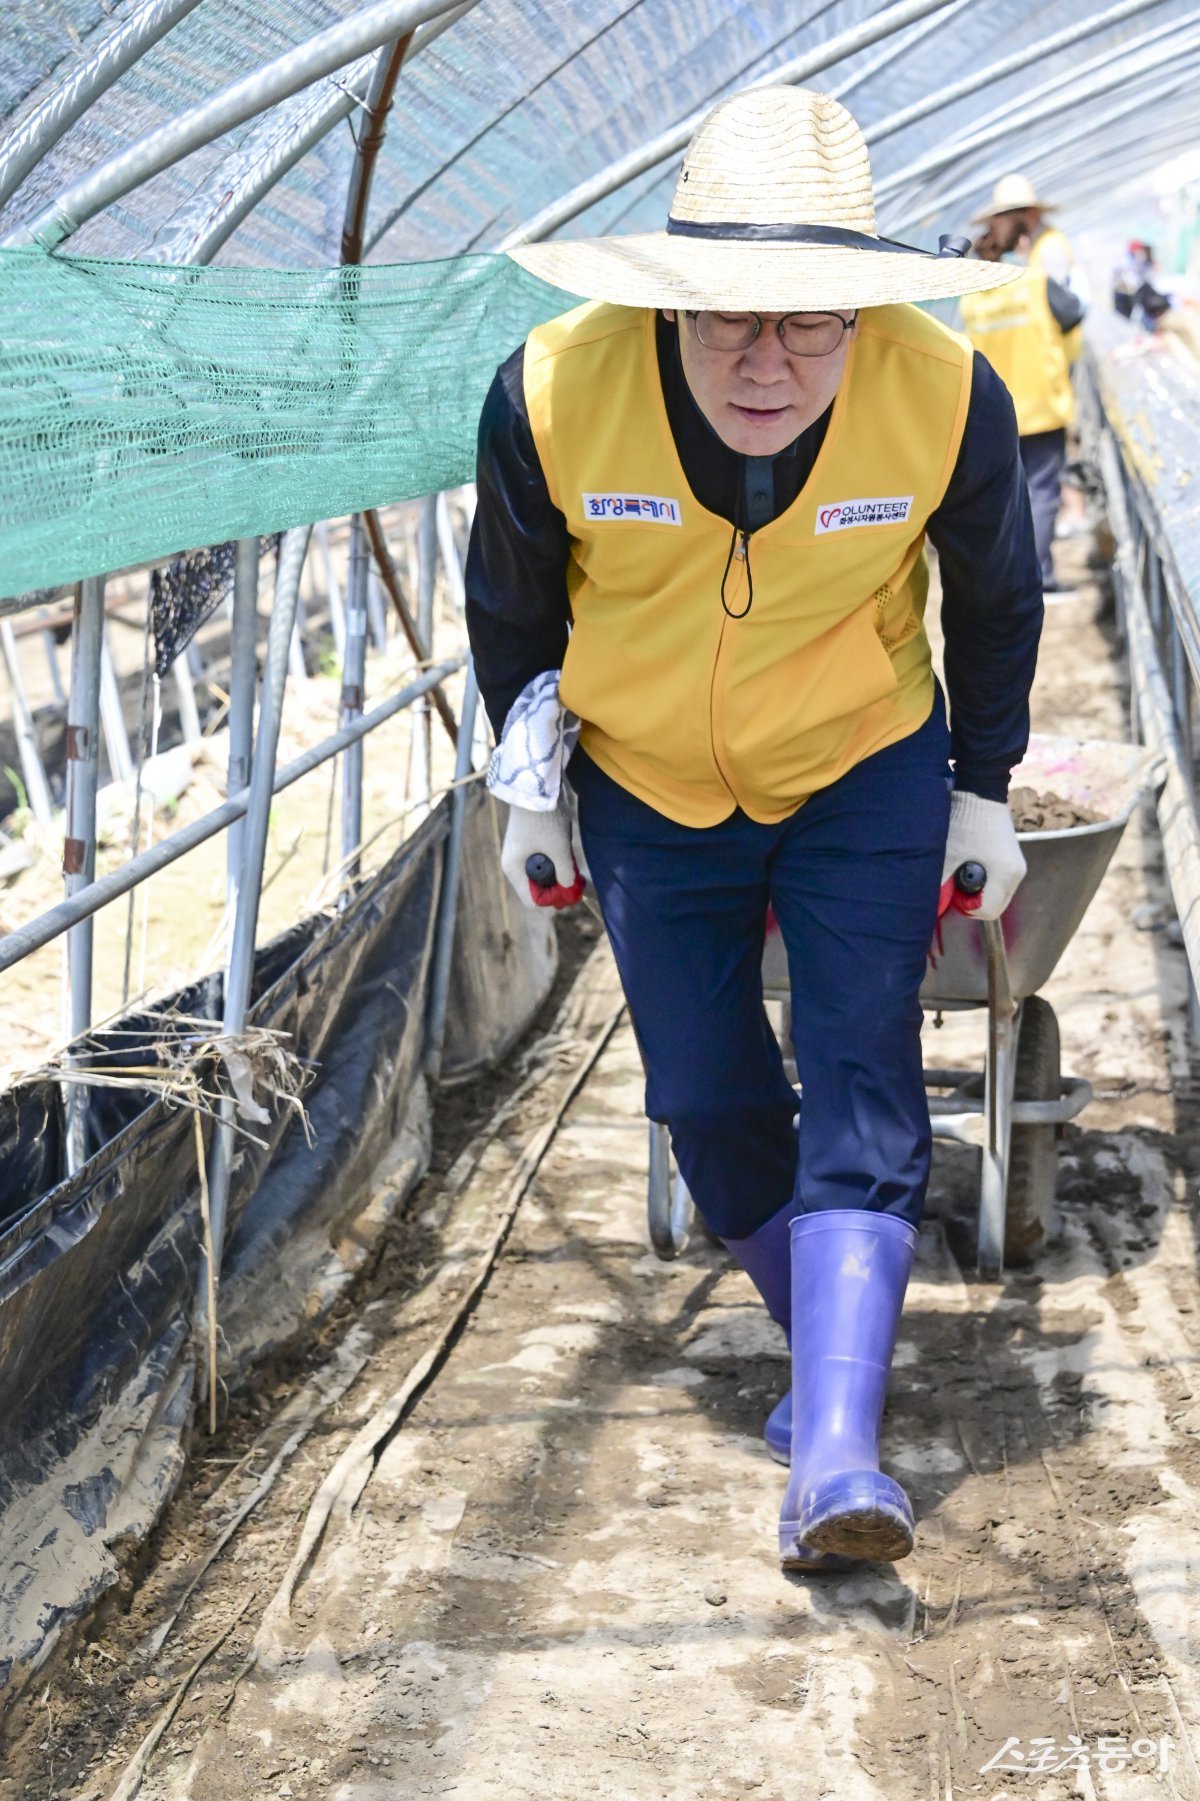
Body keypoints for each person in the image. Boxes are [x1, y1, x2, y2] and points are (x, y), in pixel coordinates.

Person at [466, 87, 1042, 1570]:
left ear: (864, 310)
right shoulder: (548, 392)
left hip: (864, 760)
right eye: (732, 319)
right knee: (707, 1090)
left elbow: (994, 602)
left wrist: (984, 783)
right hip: (650, 780)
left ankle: (841, 1454)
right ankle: (822, 1354)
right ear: (671, 302)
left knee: (864, 1065)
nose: (769, 359)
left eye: (812, 320)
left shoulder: (947, 392)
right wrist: (534, 782)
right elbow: (514, 615)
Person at [959, 175, 1086, 595]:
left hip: (994, 409)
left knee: (1003, 496)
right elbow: (1073, 319)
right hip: (1042, 404)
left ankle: (1002, 578)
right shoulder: (1034, 282)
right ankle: (1038, 576)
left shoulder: (971, 295)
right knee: (1044, 490)